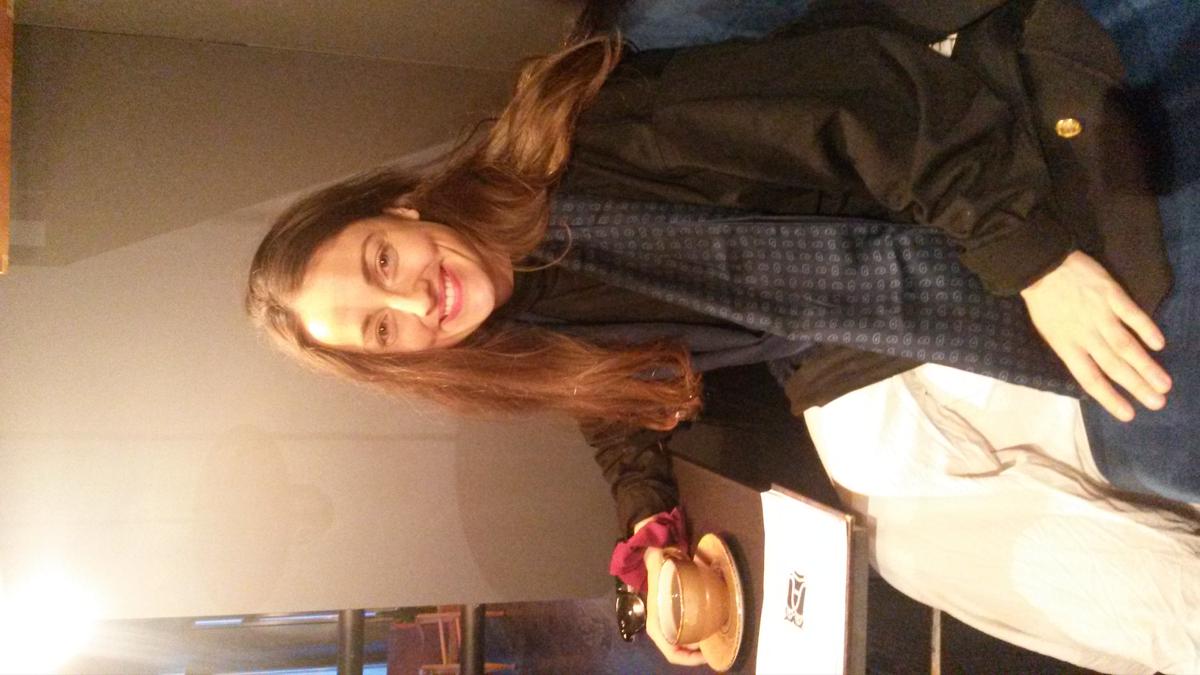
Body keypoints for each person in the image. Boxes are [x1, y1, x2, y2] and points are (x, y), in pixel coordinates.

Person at [246, 0, 1194, 667]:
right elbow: (605, 395)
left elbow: (863, 98)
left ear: (403, 208)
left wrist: (1033, 256)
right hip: (844, 333)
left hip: (924, 228)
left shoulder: (601, 141)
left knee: (944, 514)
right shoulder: (520, 310)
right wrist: (645, 522)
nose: (417, 302)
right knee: (915, 552)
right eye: (382, 328)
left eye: (381, 261)